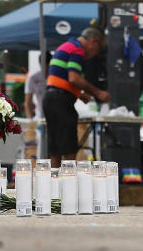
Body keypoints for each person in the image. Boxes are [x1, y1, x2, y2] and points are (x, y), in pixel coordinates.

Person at [43, 27, 111, 168]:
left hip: (51, 97)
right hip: (61, 101)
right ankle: (69, 185)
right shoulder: (77, 49)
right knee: (69, 147)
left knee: (55, 147)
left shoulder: (67, 45)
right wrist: (98, 93)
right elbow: (74, 78)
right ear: (93, 42)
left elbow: (61, 79)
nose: (94, 54)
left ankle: (54, 184)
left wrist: (79, 94)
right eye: (98, 49)